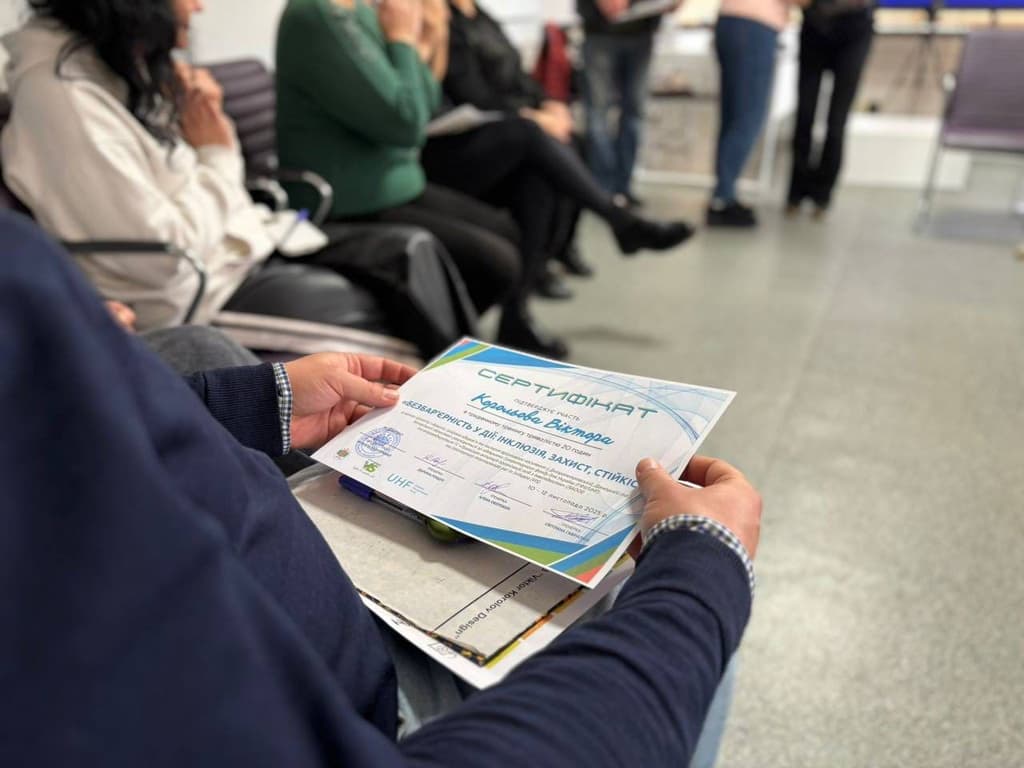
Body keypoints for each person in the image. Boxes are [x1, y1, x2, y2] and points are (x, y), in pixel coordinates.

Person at [1, 207, 760, 768]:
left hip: (286, 583)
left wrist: (256, 404)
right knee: (693, 620)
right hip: (373, 705)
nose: (112, 318)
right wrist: (703, 567)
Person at [2, 0, 475, 358]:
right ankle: (448, 418)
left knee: (411, 250)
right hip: (196, 293)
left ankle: (473, 401)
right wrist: (217, 151)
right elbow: (168, 253)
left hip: (238, 245)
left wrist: (203, 138)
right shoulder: (61, 97)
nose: (197, 7)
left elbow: (185, 189)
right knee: (392, 340)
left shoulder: (114, 72)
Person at [276, 0, 694, 360]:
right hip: (350, 199)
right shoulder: (322, 15)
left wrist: (416, 43)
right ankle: (435, 360)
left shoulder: (358, 13)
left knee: (519, 213)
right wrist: (403, 39)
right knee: (498, 255)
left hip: (398, 180)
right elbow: (407, 122)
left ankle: (465, 338)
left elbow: (418, 102)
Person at [434, 0, 696, 297]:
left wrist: (548, 104)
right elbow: (470, 92)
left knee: (559, 155)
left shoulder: (481, 16)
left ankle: (542, 270)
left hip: (509, 119)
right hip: (470, 135)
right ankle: (619, 220)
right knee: (536, 142)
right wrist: (531, 115)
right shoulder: (443, 20)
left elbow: (519, 76)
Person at [577, 0, 679, 208]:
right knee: (597, 114)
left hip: (641, 31)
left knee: (634, 113)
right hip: (601, 32)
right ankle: (602, 190)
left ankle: (623, 187)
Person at [707, 0, 797, 228]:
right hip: (756, 27)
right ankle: (723, 198)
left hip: (728, 21)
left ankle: (722, 194)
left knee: (732, 117)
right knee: (748, 118)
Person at [786, 0, 874, 217]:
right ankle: (796, 193)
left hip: (854, 28)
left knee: (836, 123)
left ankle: (822, 196)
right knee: (805, 115)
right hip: (814, 25)